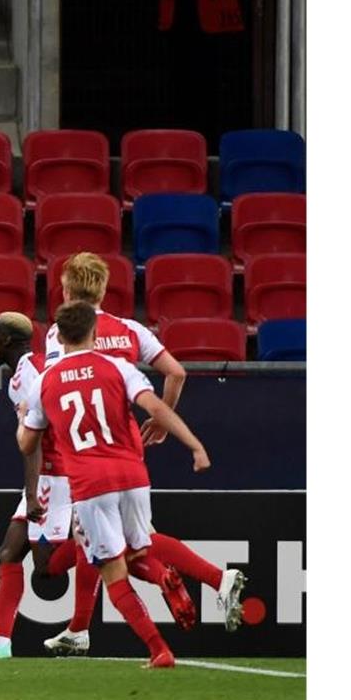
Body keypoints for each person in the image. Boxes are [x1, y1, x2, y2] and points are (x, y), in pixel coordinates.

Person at [41, 253, 246, 654]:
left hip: (84, 447)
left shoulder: (60, 333)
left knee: (110, 543)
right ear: (103, 289)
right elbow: (177, 371)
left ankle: (210, 578)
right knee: (108, 541)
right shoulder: (131, 330)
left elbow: (55, 386)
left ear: (66, 291)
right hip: (127, 442)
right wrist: (159, 420)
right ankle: (79, 627)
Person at [19, 301, 214, 668]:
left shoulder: (45, 379)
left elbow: (27, 444)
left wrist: (23, 422)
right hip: (133, 476)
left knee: (112, 569)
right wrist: (195, 446)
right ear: (95, 332)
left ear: (58, 336)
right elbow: (156, 409)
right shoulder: (118, 366)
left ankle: (159, 649)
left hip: (90, 484)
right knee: (141, 549)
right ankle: (181, 576)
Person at [0, 312, 84, 659]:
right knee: (9, 552)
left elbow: (36, 436)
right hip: (45, 474)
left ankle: (108, 549)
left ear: (6, 341)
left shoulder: (29, 375)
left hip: (53, 477)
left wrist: (31, 495)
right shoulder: (26, 371)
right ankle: (0, 642)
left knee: (46, 569)